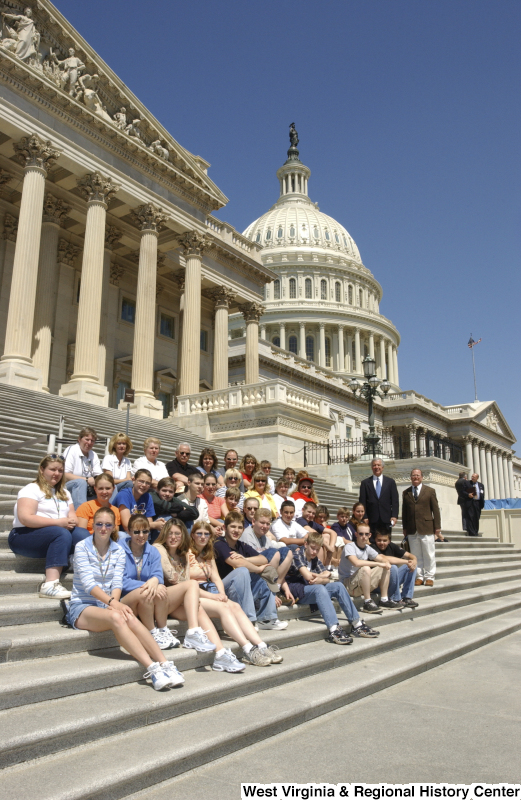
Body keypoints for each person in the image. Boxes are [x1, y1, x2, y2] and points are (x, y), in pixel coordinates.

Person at [65, 507, 183, 690]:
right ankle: (152, 669)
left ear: (114, 527)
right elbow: (89, 585)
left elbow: (117, 583)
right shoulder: (82, 547)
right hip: (83, 606)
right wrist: (113, 604)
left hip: (108, 603)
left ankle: (165, 663)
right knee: (117, 616)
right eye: (99, 524)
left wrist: (115, 602)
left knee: (128, 616)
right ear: (93, 526)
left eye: (108, 525)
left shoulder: (117, 550)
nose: (103, 528)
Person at [155, 519, 279, 667]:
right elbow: (186, 585)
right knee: (224, 607)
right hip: (181, 599)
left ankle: (261, 645)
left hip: (195, 596)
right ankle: (248, 649)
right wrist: (214, 596)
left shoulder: (185, 554)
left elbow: (214, 578)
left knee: (235, 606)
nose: (202, 537)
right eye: (171, 534)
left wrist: (221, 594)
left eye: (177, 534)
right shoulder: (178, 552)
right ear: (192, 535)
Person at [121, 514, 216, 653]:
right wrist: (150, 584)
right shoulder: (119, 550)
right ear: (129, 532)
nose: (141, 535)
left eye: (145, 531)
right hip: (128, 600)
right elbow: (121, 581)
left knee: (190, 585)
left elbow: (158, 575)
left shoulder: (151, 550)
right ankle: (153, 633)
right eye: (136, 531)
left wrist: (155, 581)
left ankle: (188, 632)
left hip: (150, 601)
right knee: (150, 591)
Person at [9, 455, 89, 599]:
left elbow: (72, 515)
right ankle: (50, 585)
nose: (57, 474)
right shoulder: (31, 489)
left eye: (60, 470)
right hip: (23, 536)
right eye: (52, 469)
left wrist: (71, 521)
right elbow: (26, 518)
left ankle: (84, 572)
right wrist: (60, 523)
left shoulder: (64, 492)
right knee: (60, 533)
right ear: (41, 470)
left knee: (82, 534)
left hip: (54, 534)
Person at [285, 531, 379, 642]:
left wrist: (320, 578)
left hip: (311, 587)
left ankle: (356, 624)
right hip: (296, 589)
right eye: (312, 548)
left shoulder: (314, 559)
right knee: (319, 588)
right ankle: (334, 629)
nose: (315, 552)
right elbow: (308, 576)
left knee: (338, 586)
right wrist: (321, 578)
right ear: (306, 544)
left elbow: (327, 575)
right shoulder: (297, 555)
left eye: (318, 549)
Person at [214, 511, 288, 631]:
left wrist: (245, 558)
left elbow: (263, 558)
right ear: (224, 527)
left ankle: (266, 619)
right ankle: (248, 620)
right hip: (223, 590)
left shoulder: (241, 545)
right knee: (243, 570)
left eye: (239, 527)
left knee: (266, 574)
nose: (236, 530)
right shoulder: (219, 543)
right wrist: (257, 568)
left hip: (241, 591)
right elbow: (236, 563)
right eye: (232, 526)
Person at [339, 523, 400, 613]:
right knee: (366, 568)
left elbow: (381, 558)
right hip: (347, 585)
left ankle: (384, 600)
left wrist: (386, 562)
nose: (364, 536)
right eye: (361, 534)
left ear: (369, 535)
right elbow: (356, 562)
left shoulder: (367, 548)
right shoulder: (350, 547)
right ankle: (367, 602)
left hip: (360, 583)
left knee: (386, 567)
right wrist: (379, 564)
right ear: (356, 534)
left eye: (366, 534)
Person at [402, 468, 441, 587]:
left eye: (418, 475)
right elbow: (404, 512)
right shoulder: (406, 492)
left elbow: (436, 510)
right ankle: (419, 576)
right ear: (411, 477)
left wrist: (437, 527)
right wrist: (405, 527)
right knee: (416, 554)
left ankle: (429, 576)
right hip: (412, 529)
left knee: (429, 553)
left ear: (422, 477)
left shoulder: (430, 491)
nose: (416, 477)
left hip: (427, 527)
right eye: (413, 475)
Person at [240, 508, 294, 591]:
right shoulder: (247, 535)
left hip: (266, 572)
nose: (265, 526)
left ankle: (276, 588)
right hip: (252, 574)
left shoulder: (265, 538)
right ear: (254, 522)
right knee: (274, 553)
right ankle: (269, 590)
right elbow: (252, 561)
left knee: (287, 552)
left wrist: (286, 588)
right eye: (262, 523)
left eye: (268, 524)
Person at [373, 526, 419, 608]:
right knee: (393, 567)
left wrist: (414, 560)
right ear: (375, 540)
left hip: (391, 581)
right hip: (377, 585)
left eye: (385, 540)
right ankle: (395, 599)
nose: (382, 543)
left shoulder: (392, 546)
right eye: (379, 540)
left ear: (389, 541)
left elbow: (410, 555)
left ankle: (406, 597)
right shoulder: (372, 547)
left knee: (412, 566)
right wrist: (407, 561)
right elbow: (385, 558)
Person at [115, 469, 166, 535]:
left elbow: (149, 523)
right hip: (123, 533)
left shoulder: (148, 497)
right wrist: (154, 525)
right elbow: (126, 525)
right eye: (141, 481)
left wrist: (155, 523)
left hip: (140, 534)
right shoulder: (124, 494)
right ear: (133, 480)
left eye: (147, 483)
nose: (144, 485)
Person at [63, 427, 102, 509]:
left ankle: (109, 514)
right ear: (79, 439)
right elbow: (65, 474)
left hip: (88, 487)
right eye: (87, 439)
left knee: (109, 485)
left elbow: (98, 474)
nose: (89, 442)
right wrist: (87, 480)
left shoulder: (93, 454)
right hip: (70, 485)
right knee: (80, 483)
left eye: (92, 441)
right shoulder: (71, 450)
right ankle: (81, 515)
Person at [358, 458, 399, 534]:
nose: (376, 467)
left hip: (386, 518)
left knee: (386, 541)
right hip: (371, 519)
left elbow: (395, 501)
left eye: (378, 465)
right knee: (372, 542)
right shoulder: (365, 483)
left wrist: (394, 516)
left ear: (382, 467)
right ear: (371, 468)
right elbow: (362, 501)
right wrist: (365, 516)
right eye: (374, 465)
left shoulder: (390, 482)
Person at [101, 432, 133, 502]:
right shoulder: (108, 458)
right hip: (110, 486)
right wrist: (126, 480)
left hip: (122, 487)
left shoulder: (127, 461)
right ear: (114, 445)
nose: (121, 446)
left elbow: (128, 479)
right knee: (114, 487)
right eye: (119, 443)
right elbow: (109, 480)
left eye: (124, 444)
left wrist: (127, 480)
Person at [462, 473, 485, 537]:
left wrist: (482, 503)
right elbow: (463, 491)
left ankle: (476, 531)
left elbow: (482, 494)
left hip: (478, 503)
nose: (472, 478)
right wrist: (468, 495)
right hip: (470, 502)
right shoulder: (467, 483)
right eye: (472, 476)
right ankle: (471, 532)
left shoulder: (481, 485)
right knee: (470, 517)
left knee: (476, 517)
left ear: (477, 478)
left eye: (474, 477)